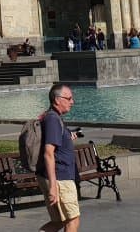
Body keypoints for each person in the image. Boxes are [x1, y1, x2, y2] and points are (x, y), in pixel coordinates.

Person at [38, 83, 80, 232]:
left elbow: (55, 145)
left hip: (60, 177)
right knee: (72, 220)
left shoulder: (52, 117)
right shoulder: (53, 119)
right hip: (60, 178)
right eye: (69, 98)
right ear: (57, 100)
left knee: (58, 222)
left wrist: (68, 137)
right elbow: (48, 153)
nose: (72, 102)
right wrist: (53, 187)